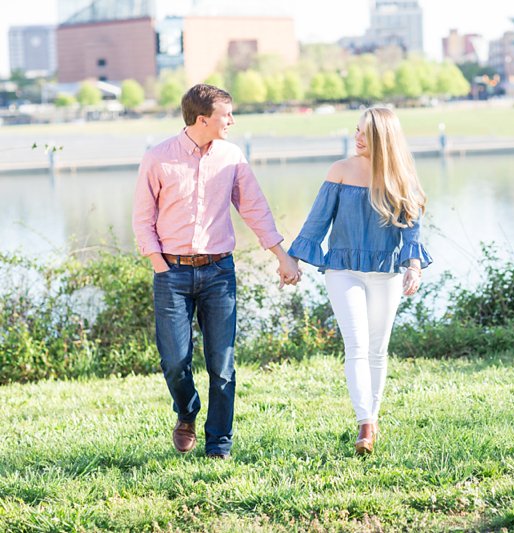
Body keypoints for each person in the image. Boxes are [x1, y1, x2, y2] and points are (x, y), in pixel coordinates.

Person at [132, 84, 300, 460]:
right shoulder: (158, 158)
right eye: (227, 115)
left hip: (219, 272)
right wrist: (160, 265)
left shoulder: (232, 156)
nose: (232, 121)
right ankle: (187, 412)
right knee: (175, 361)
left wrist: (282, 256)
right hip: (171, 274)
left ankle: (218, 445)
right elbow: (143, 220)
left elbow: (254, 208)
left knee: (222, 365)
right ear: (202, 119)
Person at [288, 106, 432, 455]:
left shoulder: (401, 179)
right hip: (343, 269)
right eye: (356, 130)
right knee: (356, 345)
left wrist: (414, 266)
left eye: (365, 133)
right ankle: (364, 424)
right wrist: (290, 260)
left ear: (383, 138)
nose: (357, 137)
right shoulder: (340, 171)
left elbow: (412, 232)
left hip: (385, 271)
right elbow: (316, 222)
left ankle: (373, 418)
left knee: (377, 349)